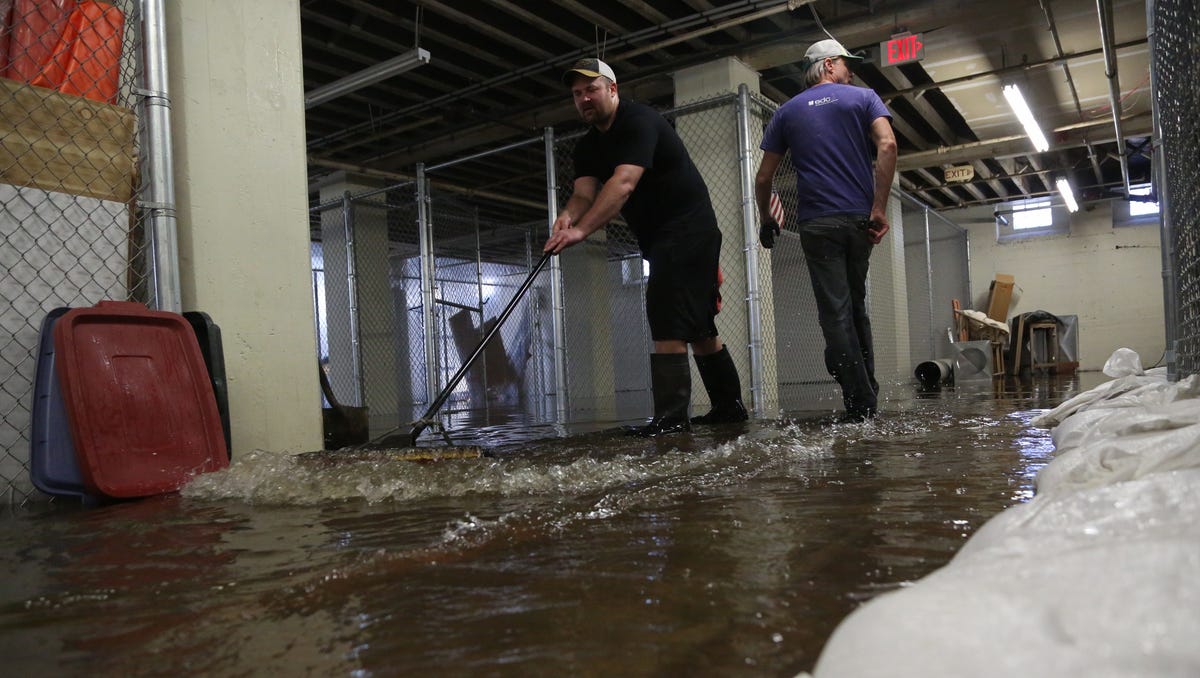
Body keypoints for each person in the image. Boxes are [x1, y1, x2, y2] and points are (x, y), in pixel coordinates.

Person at [544, 58, 748, 436]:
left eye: (592, 89)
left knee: (666, 318)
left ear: (612, 90)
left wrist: (581, 232)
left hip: (688, 229)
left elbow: (622, 185)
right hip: (661, 238)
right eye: (577, 94)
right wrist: (567, 218)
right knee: (699, 326)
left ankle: (671, 420)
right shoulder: (588, 146)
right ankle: (729, 410)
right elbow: (584, 193)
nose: (584, 98)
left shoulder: (640, 121)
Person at [754, 39, 897, 421]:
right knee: (855, 305)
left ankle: (858, 399)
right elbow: (888, 144)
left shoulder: (786, 112)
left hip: (817, 223)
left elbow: (764, 176)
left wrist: (767, 220)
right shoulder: (863, 98)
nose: (850, 72)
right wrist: (878, 209)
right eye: (846, 65)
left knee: (835, 314)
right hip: (858, 218)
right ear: (829, 64)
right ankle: (866, 388)